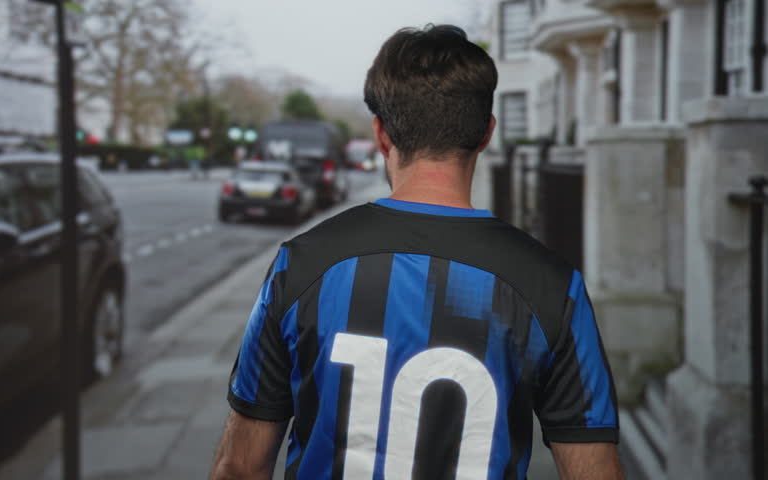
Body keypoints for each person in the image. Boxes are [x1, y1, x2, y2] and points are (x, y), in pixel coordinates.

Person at [211, 24, 623, 480]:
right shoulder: (551, 285)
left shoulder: (303, 263)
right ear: (486, 133)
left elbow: (240, 468)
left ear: (382, 134)